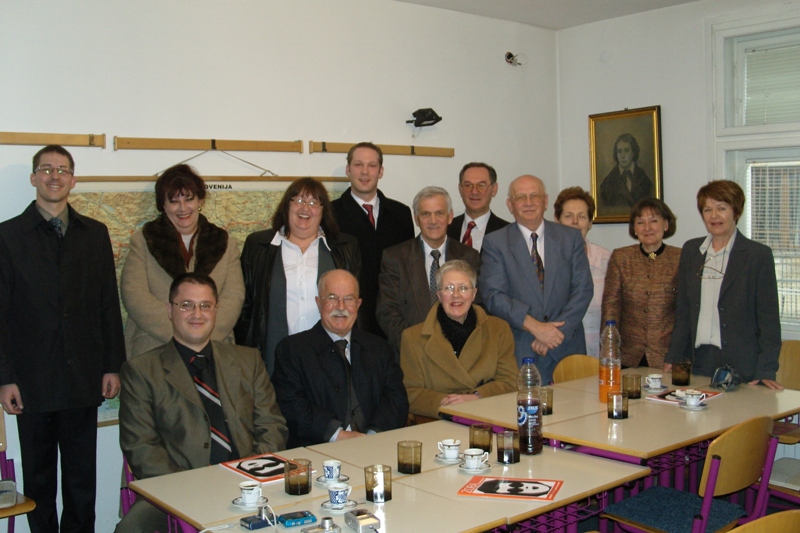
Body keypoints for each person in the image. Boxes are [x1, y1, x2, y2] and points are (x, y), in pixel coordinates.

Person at [0, 145, 125, 532]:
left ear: (73, 179)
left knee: (81, 482)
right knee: (38, 481)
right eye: (46, 169)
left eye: (63, 170)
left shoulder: (94, 234)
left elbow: (108, 303)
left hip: (82, 377)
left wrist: (112, 366)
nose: (54, 176)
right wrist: (4, 378)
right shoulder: (7, 236)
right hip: (32, 381)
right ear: (34, 177)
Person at [117, 273, 287, 532]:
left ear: (215, 311)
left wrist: (250, 476)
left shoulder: (248, 360)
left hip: (250, 484)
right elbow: (141, 448)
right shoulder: (141, 371)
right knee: (131, 529)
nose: (197, 314)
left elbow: (272, 426)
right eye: (186, 305)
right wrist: (195, 486)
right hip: (177, 489)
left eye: (205, 305)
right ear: (170, 310)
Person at [235, 178, 361, 375]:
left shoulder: (345, 248)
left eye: (313, 202)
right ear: (287, 206)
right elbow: (246, 307)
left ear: (323, 211)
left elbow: (354, 306)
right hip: (273, 360)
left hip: (329, 360)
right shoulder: (258, 246)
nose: (305, 208)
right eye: (299, 200)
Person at [665, 181, 782, 389]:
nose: (714, 216)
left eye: (721, 208)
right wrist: (674, 356)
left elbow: (769, 319)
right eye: (707, 210)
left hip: (743, 364)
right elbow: (683, 312)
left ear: (736, 212)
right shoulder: (692, 250)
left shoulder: (757, 255)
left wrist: (766, 370)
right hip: (699, 360)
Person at [272, 270, 408, 448]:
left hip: (376, 447)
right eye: (332, 298)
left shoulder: (380, 348)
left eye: (349, 299)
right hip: (316, 450)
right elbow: (290, 404)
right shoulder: (292, 350)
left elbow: (396, 399)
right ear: (318, 302)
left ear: (358, 304)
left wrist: (372, 436)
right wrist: (337, 435)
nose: (341, 306)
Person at [121, 164, 244, 358]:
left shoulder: (225, 243)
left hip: (214, 347)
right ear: (163, 205)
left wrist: (201, 337)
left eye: (189, 199)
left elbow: (233, 298)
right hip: (154, 348)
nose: (183, 208)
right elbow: (135, 297)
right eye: (174, 201)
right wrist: (183, 337)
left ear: (200, 200)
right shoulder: (143, 242)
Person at [479, 175, 592, 384]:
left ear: (546, 201)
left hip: (567, 347)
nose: (528, 203)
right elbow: (493, 295)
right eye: (521, 197)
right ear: (510, 204)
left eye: (534, 196)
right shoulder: (495, 242)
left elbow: (583, 289)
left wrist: (554, 334)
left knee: (575, 403)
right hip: (522, 348)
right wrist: (536, 328)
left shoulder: (571, 237)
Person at [400, 260, 517, 420]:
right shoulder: (412, 338)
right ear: (439, 295)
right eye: (448, 288)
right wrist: (446, 403)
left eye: (463, 288)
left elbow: (511, 382)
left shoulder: (498, 330)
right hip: (438, 422)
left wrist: (477, 397)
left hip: (488, 418)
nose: (456, 295)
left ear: (474, 294)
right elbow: (410, 392)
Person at [377, 187, 481, 356]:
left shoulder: (469, 257)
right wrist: (418, 348)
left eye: (439, 213)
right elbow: (387, 312)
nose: (433, 221)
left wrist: (458, 346)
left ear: (450, 216)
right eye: (426, 214)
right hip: (415, 355)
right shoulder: (395, 258)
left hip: (460, 355)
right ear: (416, 218)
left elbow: (477, 307)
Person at [331, 142, 415, 337]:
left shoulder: (401, 214)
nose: (365, 171)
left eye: (372, 165)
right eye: (358, 165)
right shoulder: (330, 215)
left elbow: (408, 269)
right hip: (349, 316)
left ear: (381, 171)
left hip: (394, 317)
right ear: (348, 170)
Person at [601, 198, 680, 369]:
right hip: (628, 355)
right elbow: (611, 307)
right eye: (640, 222)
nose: (647, 228)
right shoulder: (621, 258)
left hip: (667, 356)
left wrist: (678, 353)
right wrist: (609, 350)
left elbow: (685, 312)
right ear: (634, 229)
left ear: (666, 225)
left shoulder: (680, 258)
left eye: (654, 221)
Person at [553, 186, 611, 357]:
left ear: (590, 223)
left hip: (598, 350)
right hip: (559, 349)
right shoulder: (545, 260)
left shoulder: (606, 258)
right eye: (568, 216)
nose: (575, 222)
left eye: (582, 216)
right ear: (557, 221)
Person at [447, 162, 509, 252]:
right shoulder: (445, 229)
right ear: (460, 189)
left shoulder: (508, 233)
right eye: (468, 185)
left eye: (481, 185)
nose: (474, 191)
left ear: (494, 189)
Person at [599, 134, 653, 213]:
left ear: (633, 152)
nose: (623, 156)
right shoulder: (608, 183)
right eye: (619, 151)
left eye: (626, 150)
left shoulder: (644, 179)